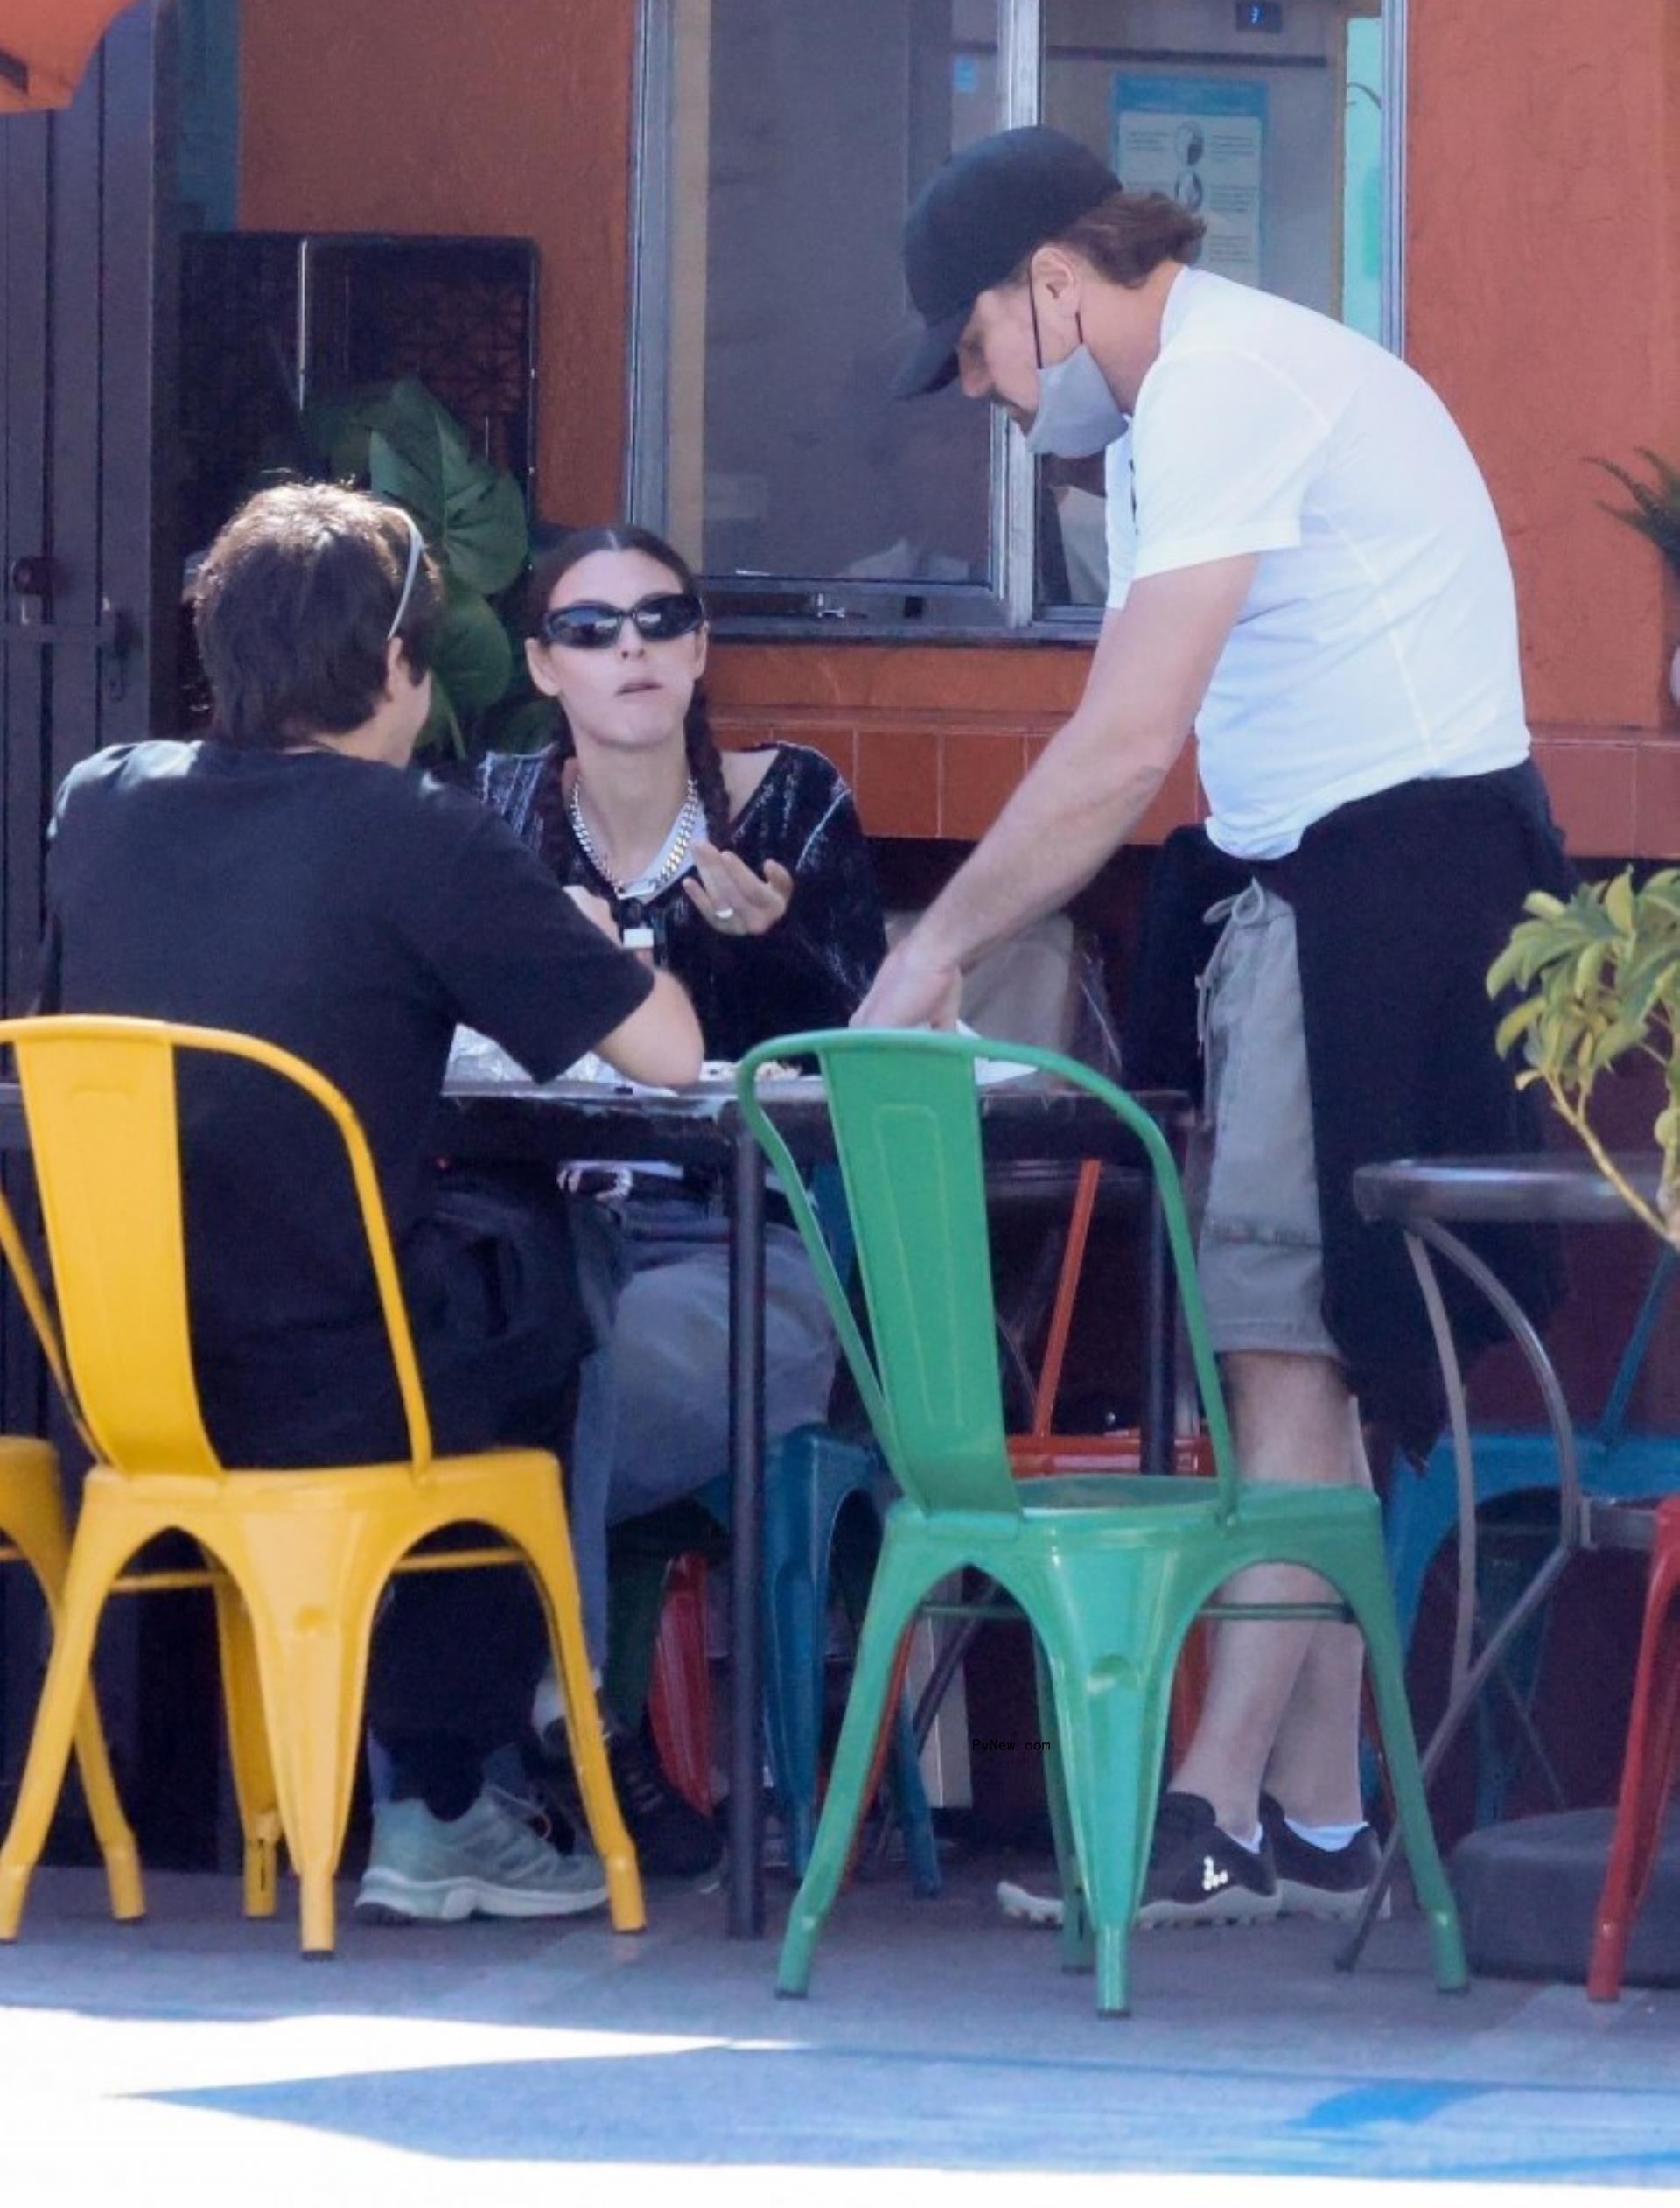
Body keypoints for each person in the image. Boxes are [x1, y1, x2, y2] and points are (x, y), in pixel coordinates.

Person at [858, 125, 1573, 1926]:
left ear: (1051, 283)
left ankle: (1214, 1803)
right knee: (1299, 1358)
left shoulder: (1219, 389)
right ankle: (1318, 1813)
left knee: (1283, 1354)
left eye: (979, 356)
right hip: (1332, 885)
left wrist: (928, 950)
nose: (992, 401)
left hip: (1383, 891)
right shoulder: (1210, 391)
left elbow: (1121, 742)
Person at [38, 481, 703, 1924]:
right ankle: (448, 1792)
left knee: (490, 1284)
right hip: (339, 1382)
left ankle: (417, 1771)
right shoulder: (421, 831)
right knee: (556, 1272)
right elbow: (669, 1053)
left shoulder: (100, 801)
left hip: (120, 1386)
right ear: (403, 664)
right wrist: (588, 940)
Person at [474, 522, 887, 1874]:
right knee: (515, 1349)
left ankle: (547, 1730)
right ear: (543, 664)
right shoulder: (494, 813)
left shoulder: (792, 804)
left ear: (703, 648)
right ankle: (547, 1738)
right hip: (545, 1240)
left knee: (559, 1371)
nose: (632, 649)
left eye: (661, 620)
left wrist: (770, 956)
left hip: (740, 1252)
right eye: (591, 630)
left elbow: (864, 1060)